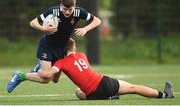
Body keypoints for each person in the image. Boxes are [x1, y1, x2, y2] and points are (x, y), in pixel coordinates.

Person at [7, 0, 101, 93]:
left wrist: (85, 28)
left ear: (75, 6)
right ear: (60, 5)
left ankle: (40, 66)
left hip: (63, 48)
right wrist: (43, 28)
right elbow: (33, 23)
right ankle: (20, 76)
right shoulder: (53, 11)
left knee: (55, 80)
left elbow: (97, 21)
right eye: (65, 9)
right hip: (48, 47)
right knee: (46, 79)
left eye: (70, 9)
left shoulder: (79, 12)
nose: (68, 12)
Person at [36, 38, 174, 100]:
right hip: (104, 83)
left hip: (93, 95)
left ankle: (109, 97)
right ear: (73, 48)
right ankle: (165, 95)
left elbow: (50, 76)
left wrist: (40, 70)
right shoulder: (82, 55)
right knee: (133, 88)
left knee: (78, 92)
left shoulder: (61, 63)